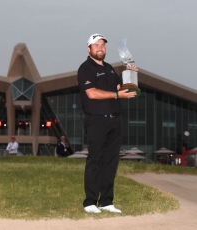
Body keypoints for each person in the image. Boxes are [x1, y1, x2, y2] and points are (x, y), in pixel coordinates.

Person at [77, 33, 138, 214]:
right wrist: (118, 95)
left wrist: (130, 75)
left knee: (111, 162)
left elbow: (121, 88)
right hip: (96, 120)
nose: (100, 48)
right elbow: (92, 93)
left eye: (102, 45)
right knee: (95, 160)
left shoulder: (110, 69)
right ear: (89, 49)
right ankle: (90, 202)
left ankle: (106, 201)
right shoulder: (85, 68)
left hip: (114, 120)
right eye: (96, 45)